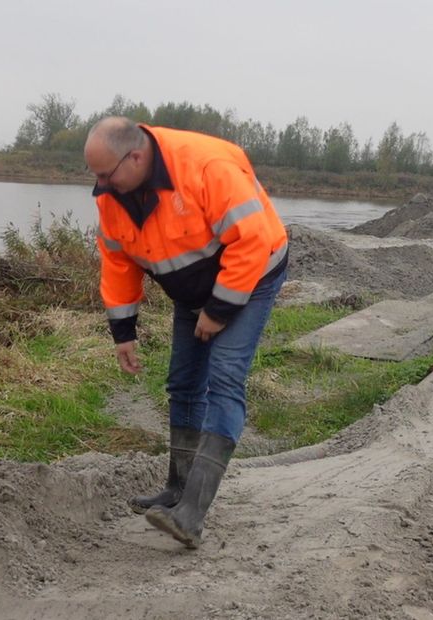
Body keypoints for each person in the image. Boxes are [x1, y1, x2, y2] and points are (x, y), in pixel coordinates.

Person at [84, 117, 288, 549]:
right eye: (95, 175)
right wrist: (123, 331)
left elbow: (250, 241)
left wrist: (218, 311)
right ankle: (176, 490)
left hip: (253, 274)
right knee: (183, 382)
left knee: (226, 378)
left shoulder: (207, 168)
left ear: (136, 157)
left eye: (106, 174)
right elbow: (118, 263)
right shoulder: (112, 196)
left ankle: (192, 514)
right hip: (192, 284)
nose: (99, 185)